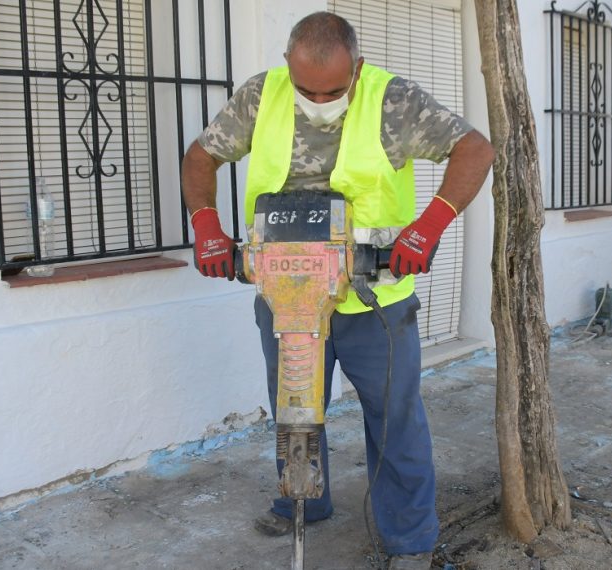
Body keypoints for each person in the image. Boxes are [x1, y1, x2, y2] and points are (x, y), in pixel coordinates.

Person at [180, 11, 492, 569]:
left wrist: (430, 224)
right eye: (305, 88)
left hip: (375, 303)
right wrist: (206, 226)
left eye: (332, 90)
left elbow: (475, 149)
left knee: (394, 417)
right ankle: (302, 500)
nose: (316, 99)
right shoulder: (262, 95)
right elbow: (201, 155)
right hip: (286, 293)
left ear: (358, 66)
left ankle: (410, 539)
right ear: (286, 66)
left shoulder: (392, 99)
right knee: (296, 405)